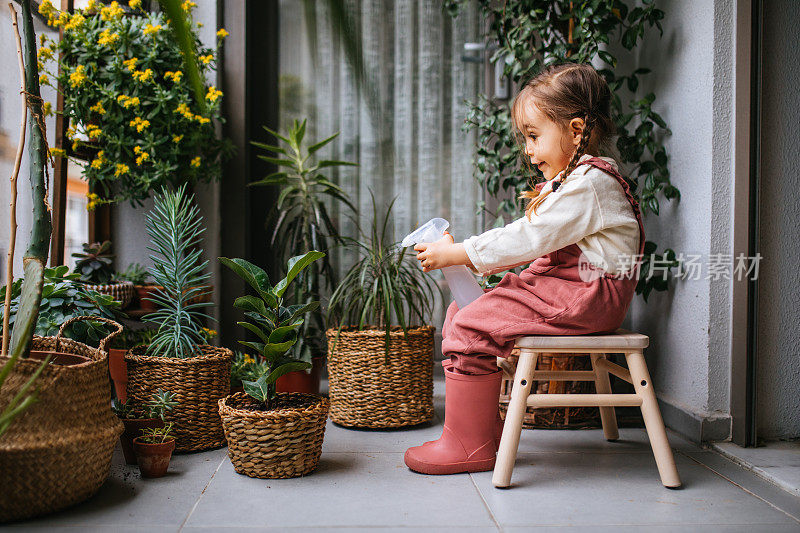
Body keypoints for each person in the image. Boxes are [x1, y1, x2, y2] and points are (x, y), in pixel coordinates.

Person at [404, 62, 646, 475]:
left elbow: (528, 238)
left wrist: (461, 252)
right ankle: (480, 431)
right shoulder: (579, 181)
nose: (528, 150)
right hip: (570, 289)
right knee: (464, 314)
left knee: (471, 324)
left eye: (534, 136)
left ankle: (468, 445)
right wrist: (480, 269)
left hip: (586, 293)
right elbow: (540, 247)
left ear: (574, 130)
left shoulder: (588, 183)